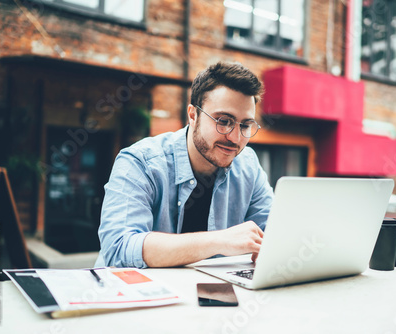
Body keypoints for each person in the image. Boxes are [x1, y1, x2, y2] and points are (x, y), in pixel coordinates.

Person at [95, 61, 274, 268]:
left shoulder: (248, 165)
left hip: (210, 294)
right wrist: (219, 241)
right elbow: (119, 248)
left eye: (245, 125)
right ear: (193, 115)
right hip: (133, 295)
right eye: (224, 121)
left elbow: (275, 233)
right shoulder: (140, 162)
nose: (235, 138)